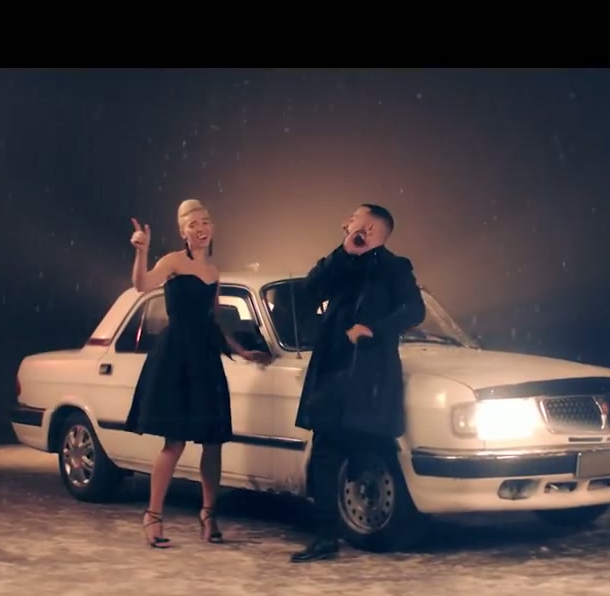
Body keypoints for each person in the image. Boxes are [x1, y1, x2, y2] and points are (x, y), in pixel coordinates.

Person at [126, 199, 272, 549]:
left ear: (213, 227)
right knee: (174, 442)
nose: (201, 228)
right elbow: (142, 285)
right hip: (176, 354)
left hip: (206, 356)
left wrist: (240, 350)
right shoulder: (173, 262)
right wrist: (142, 252)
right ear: (183, 232)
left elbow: (213, 319)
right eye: (193, 224)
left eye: (205, 221)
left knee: (213, 440)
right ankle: (153, 515)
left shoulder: (214, 270)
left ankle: (209, 515)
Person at [289, 203, 425, 563]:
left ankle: (383, 521)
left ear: (370, 227)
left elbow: (414, 310)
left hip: (370, 374)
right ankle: (325, 537)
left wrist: (374, 329)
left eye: (353, 218)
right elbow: (308, 292)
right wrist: (344, 252)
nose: (345, 222)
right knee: (324, 452)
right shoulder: (342, 264)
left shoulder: (395, 267)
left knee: (367, 444)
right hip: (333, 370)